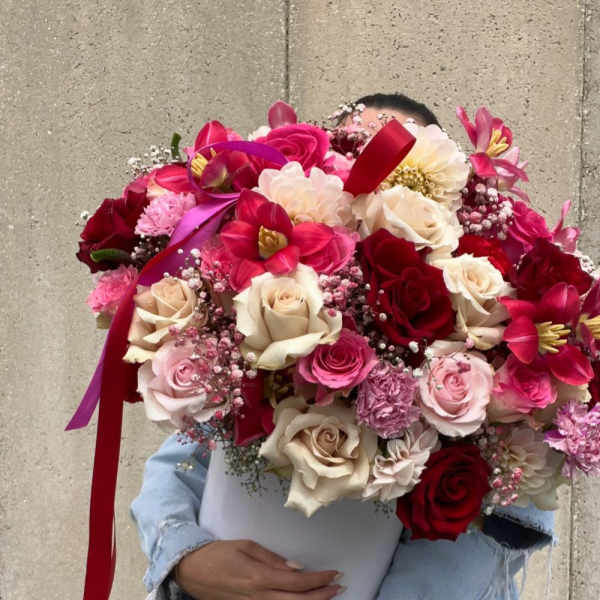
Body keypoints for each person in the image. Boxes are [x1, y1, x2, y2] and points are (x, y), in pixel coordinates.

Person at [130, 93, 555, 600]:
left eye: (393, 165)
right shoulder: (252, 334)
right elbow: (177, 463)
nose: (368, 179)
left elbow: (470, 551)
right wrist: (186, 557)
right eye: (352, 156)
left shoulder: (483, 364)